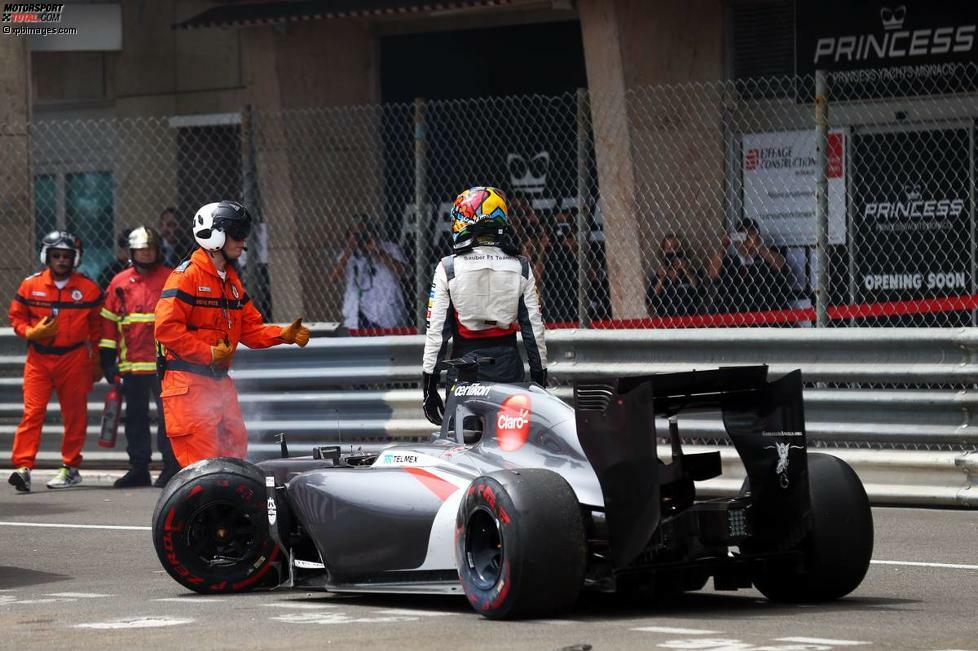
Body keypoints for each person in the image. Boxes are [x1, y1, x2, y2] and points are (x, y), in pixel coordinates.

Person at [154, 201, 311, 467]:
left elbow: (250, 329)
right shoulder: (186, 277)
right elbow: (166, 329)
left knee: (235, 456)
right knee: (205, 469)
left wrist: (283, 334)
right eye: (237, 234)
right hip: (188, 386)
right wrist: (208, 353)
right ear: (215, 236)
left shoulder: (231, 280)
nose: (243, 241)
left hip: (219, 384)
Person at [422, 186, 547, 425]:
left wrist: (428, 388)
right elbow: (534, 332)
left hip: (464, 367)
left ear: (467, 218)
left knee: (462, 446)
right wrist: (540, 382)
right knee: (511, 446)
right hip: (508, 368)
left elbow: (437, 335)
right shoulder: (520, 266)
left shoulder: (448, 268)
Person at [7, 231, 103, 492]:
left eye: (66, 256)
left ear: (76, 258)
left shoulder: (89, 289)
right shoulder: (30, 285)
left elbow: (98, 329)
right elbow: (16, 317)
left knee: (74, 415)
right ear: (46, 256)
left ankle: (70, 467)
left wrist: (97, 362)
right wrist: (30, 332)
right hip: (38, 358)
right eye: (56, 255)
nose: (61, 260)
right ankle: (23, 467)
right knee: (32, 412)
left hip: (74, 358)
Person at [100, 226, 180, 488]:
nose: (146, 254)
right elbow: (109, 324)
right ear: (132, 252)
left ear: (157, 251)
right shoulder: (119, 282)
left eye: (150, 249)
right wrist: (107, 361)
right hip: (131, 367)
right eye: (140, 250)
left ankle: (171, 467)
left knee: (169, 420)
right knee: (135, 420)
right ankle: (138, 469)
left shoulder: (172, 278)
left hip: (165, 365)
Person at [329, 217, 409, 330]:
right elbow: (334, 278)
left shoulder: (390, 248)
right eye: (356, 235)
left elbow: (402, 272)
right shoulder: (349, 255)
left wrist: (378, 251)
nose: (361, 238)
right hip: (357, 313)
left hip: (385, 313)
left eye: (364, 233)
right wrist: (349, 249)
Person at [706, 218, 791, 315]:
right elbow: (713, 273)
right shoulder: (729, 261)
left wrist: (758, 245)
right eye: (742, 236)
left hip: (762, 314)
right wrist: (723, 246)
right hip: (732, 314)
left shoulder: (766, 258)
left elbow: (781, 264)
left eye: (750, 234)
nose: (746, 240)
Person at [540, 209, 580, 325]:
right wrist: (542, 250)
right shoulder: (547, 244)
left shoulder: (576, 243)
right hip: (552, 299)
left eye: (565, 222)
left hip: (573, 297)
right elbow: (536, 277)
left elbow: (590, 275)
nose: (561, 227)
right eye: (559, 222)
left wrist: (574, 248)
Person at [647, 234, 702, 317]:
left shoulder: (693, 272)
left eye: (675, 248)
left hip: (689, 321)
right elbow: (650, 302)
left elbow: (700, 291)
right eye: (668, 249)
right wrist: (661, 278)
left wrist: (685, 269)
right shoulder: (659, 276)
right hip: (666, 323)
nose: (672, 252)